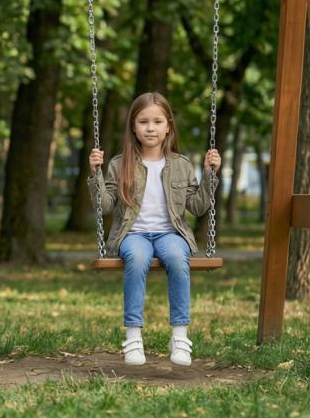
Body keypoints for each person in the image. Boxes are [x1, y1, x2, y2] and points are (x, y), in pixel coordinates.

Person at [88, 92, 220, 367]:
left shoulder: (182, 165)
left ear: (168, 126)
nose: (151, 127)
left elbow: (196, 206)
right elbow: (105, 206)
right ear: (133, 127)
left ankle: (180, 336)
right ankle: (134, 336)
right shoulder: (118, 163)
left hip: (171, 233)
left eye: (157, 121)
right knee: (136, 258)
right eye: (144, 121)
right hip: (132, 234)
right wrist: (95, 174)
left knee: (176, 257)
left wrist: (210, 175)